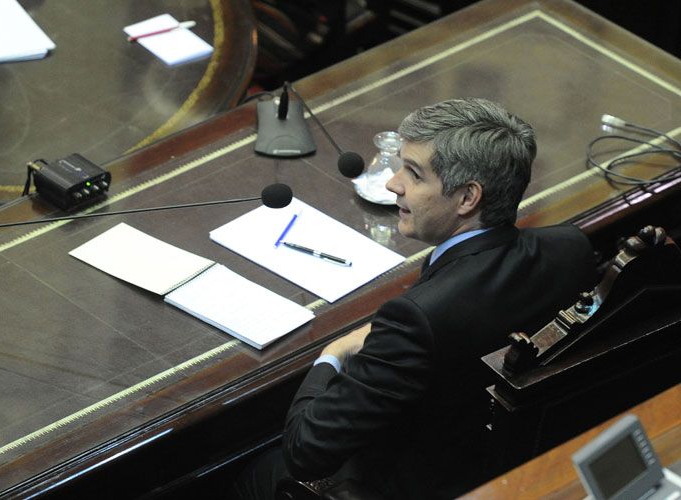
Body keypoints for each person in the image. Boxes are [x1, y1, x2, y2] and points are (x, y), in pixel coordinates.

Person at [231, 98, 597, 499]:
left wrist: (332, 354)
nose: (393, 183)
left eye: (414, 174)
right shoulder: (570, 247)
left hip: (421, 482)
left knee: (260, 473)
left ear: (467, 198)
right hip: (514, 459)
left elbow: (306, 451)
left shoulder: (415, 320)